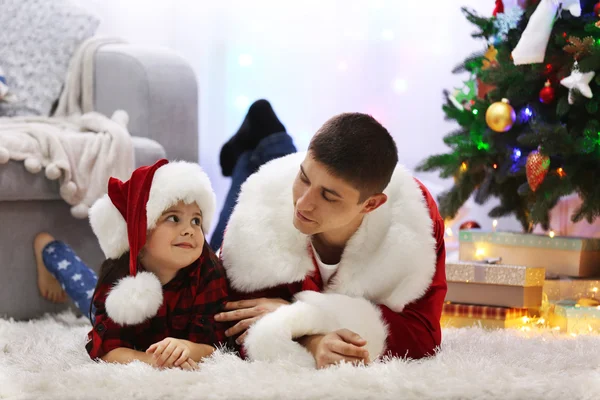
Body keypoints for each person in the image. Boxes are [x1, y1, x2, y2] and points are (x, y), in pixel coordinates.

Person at [216, 113, 447, 369]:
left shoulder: (414, 219)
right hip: (270, 183)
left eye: (328, 197)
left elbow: (422, 337)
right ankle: (263, 138)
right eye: (303, 178)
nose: (303, 203)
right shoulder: (259, 208)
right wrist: (313, 340)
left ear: (371, 204)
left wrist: (300, 317)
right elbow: (231, 326)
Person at [34, 159, 229, 370]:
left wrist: (189, 348)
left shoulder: (209, 272)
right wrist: (154, 361)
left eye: (196, 221)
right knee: (85, 290)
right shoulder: (119, 281)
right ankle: (49, 249)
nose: (190, 230)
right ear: (140, 232)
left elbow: (217, 344)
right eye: (173, 218)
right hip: (113, 297)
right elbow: (107, 350)